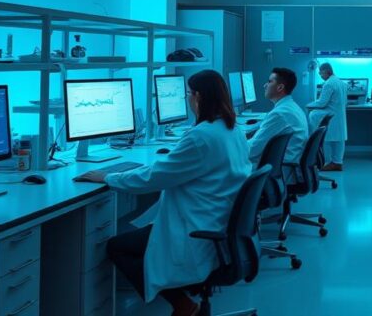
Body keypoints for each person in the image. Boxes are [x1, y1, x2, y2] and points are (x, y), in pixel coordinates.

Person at [75, 70, 251, 316]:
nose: (187, 99)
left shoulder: (202, 137)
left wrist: (108, 177)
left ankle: (182, 304)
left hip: (197, 230)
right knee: (135, 234)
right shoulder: (231, 129)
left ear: (198, 97)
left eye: (188, 94)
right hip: (217, 221)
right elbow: (167, 170)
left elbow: (154, 178)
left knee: (118, 246)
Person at [248, 67, 309, 167]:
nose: (265, 85)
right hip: (285, 166)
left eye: (269, 82)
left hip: (280, 169)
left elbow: (253, 150)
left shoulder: (280, 114)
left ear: (280, 87)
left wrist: (234, 145)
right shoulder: (291, 107)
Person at [306, 62, 348, 171]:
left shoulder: (329, 83)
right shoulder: (341, 83)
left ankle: (328, 162)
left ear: (326, 71)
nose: (321, 76)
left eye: (321, 74)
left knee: (326, 137)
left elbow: (322, 103)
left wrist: (308, 105)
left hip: (330, 115)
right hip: (339, 115)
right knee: (339, 139)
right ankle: (338, 162)